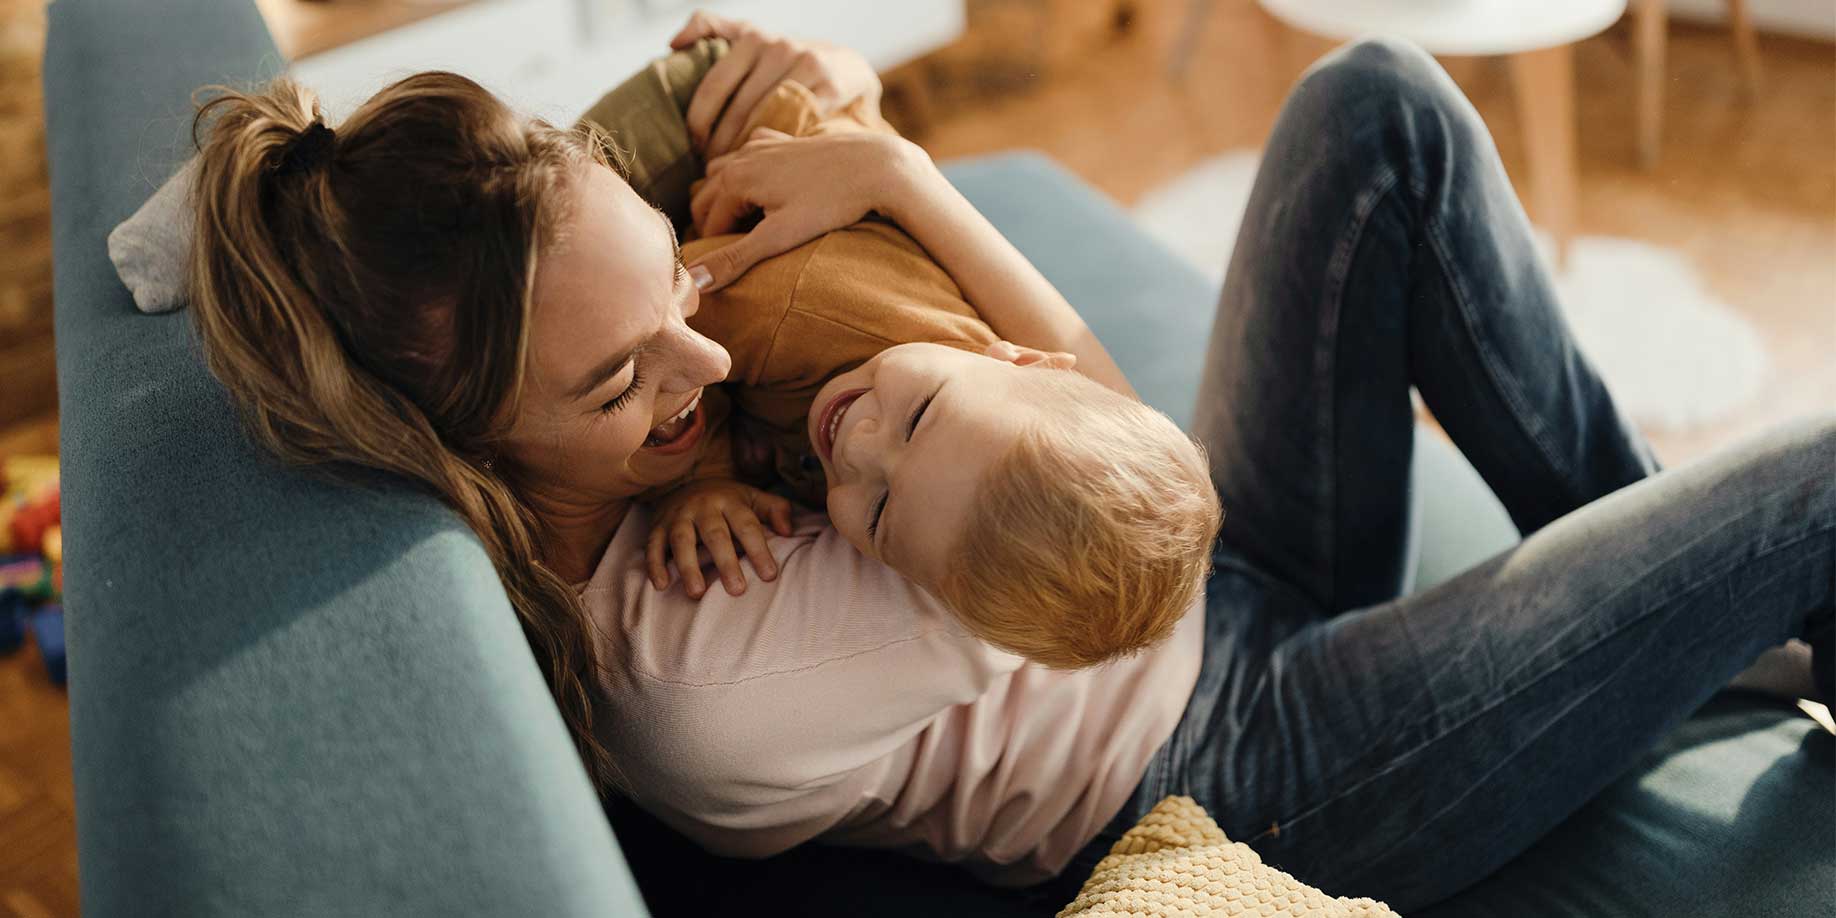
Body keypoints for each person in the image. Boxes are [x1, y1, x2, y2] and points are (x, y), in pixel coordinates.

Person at [180, 7, 1832, 910]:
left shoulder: (629, 420)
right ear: (480, 438)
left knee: (1378, 98)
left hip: (1200, 591)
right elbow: (1116, 468)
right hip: (1246, 752)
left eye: (672, 280)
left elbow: (669, 126)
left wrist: (813, 124)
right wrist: (902, 185)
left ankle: (1692, 616)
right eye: (627, 378)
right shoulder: (709, 660)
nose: (706, 345)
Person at [577, 45, 1220, 670]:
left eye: (880, 513)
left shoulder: (962, 457)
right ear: (1020, 357)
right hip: (708, 127)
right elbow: (664, 323)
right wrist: (699, 480)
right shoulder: (804, 310)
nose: (856, 448)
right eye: (918, 418)